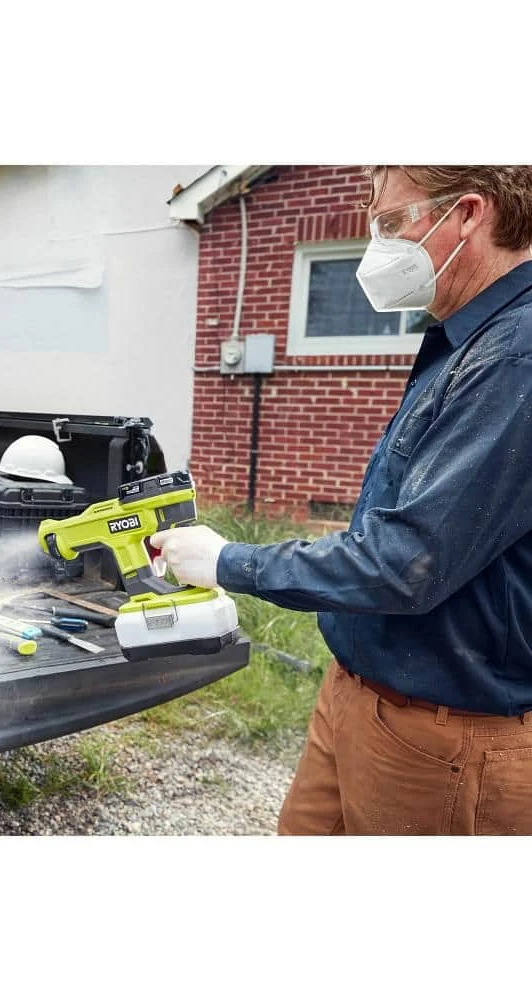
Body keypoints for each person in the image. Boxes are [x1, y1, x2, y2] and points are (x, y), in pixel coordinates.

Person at [151, 165, 532, 836]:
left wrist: (228, 562)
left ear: (469, 214)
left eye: (392, 223)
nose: (377, 248)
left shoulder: (513, 357)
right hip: (360, 695)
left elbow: (407, 562)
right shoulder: (467, 339)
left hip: (445, 738)